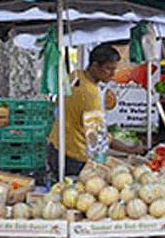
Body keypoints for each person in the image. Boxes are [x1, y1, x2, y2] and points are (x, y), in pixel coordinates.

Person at [48, 43, 144, 178]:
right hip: (74, 156)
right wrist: (130, 150)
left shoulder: (75, 75)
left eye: (114, 69)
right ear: (95, 66)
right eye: (108, 69)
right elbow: (98, 138)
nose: (112, 74)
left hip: (56, 145)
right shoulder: (91, 95)